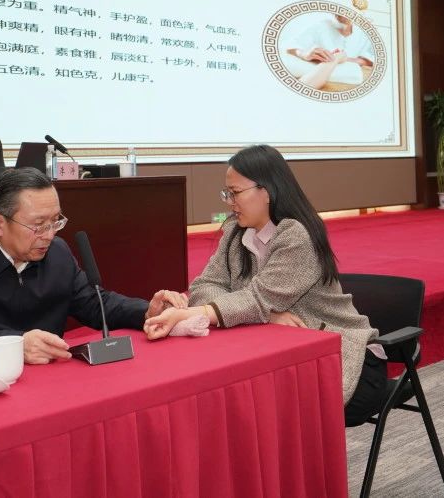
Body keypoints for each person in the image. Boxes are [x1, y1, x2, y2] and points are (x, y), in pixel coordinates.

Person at [142, 144, 386, 426]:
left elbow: (256, 300)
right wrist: (266, 316)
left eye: (235, 193)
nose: (230, 202)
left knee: (254, 406)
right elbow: (204, 286)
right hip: (288, 356)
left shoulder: (297, 236)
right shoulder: (234, 233)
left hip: (345, 361)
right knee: (239, 401)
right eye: (227, 193)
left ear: (267, 191)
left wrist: (197, 314)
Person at [0, 167, 187, 367]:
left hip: (50, 384)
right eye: (38, 225)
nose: (49, 234)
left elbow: (94, 303)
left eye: (55, 221)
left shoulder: (56, 252)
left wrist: (146, 311)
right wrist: (17, 344)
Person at [285, 13, 375, 89]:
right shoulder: (321, 26)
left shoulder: (365, 32)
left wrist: (341, 58)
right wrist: (303, 54)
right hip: (318, 70)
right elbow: (290, 46)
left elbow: (370, 59)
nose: (341, 15)